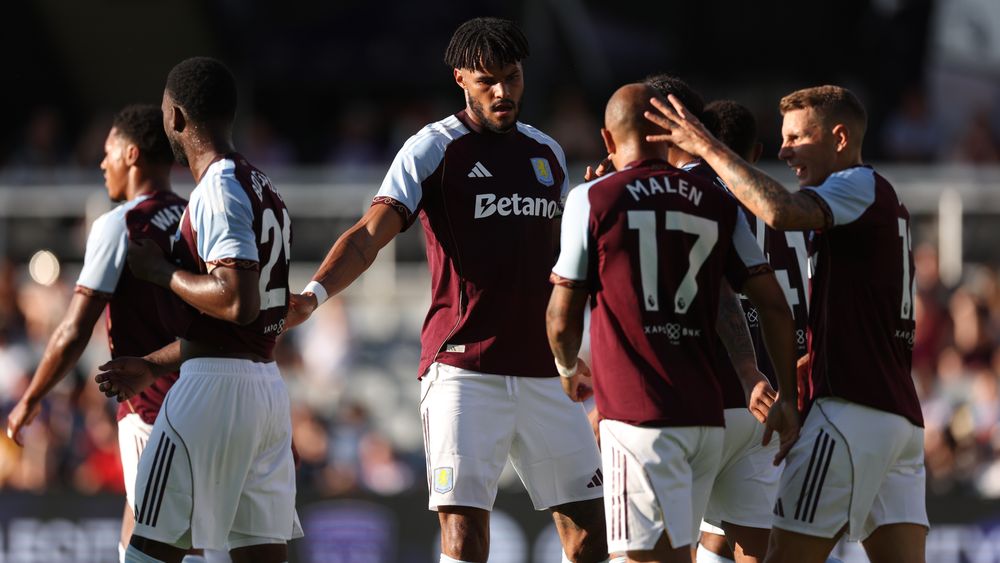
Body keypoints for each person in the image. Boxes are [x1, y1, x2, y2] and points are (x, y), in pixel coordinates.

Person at [286, 17, 607, 563]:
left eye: (513, 77)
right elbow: (369, 235)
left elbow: (562, 266)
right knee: (464, 539)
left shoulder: (549, 154)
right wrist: (312, 296)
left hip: (542, 372)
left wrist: (567, 352)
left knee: (592, 536)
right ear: (461, 77)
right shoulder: (433, 148)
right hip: (463, 370)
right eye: (488, 81)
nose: (504, 92)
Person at [645, 85, 927, 563]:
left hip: (848, 418)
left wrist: (706, 146)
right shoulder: (883, 199)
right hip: (898, 420)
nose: (784, 150)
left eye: (797, 137)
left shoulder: (856, 185)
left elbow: (777, 211)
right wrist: (814, 359)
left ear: (839, 138)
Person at [546, 82, 797, 563]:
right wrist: (761, 377)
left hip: (642, 417)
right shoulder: (716, 197)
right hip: (708, 418)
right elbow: (767, 302)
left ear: (606, 137)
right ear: (672, 134)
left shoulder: (593, 197)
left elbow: (561, 317)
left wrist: (565, 368)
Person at [95, 57, 300, 563]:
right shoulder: (262, 184)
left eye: (166, 109)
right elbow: (240, 324)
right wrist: (152, 366)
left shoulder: (219, 186)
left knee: (147, 548)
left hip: (212, 392)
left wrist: (160, 273)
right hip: (265, 390)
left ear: (177, 118)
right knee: (259, 553)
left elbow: (235, 299)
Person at [3, 104, 191, 562]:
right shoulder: (194, 217)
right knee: (191, 543)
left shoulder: (121, 224)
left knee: (147, 548)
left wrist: (30, 400)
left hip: (153, 410)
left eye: (107, 152)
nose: (101, 163)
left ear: (130, 155)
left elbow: (73, 330)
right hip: (208, 399)